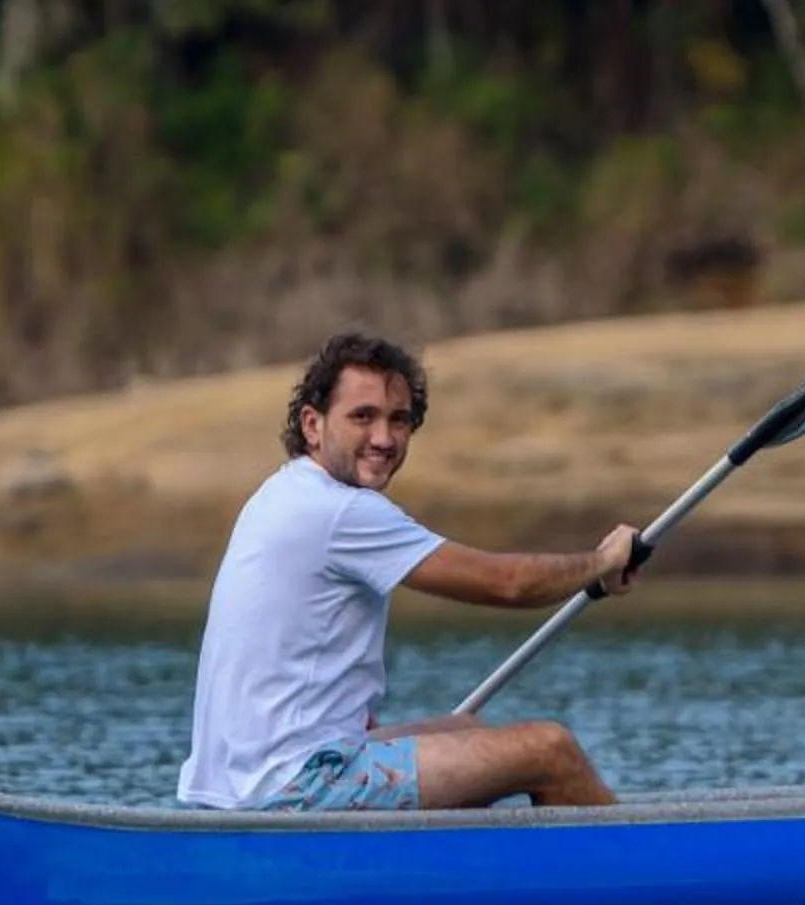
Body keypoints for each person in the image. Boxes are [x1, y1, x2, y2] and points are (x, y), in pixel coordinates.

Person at [178, 330, 644, 813]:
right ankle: (652, 879)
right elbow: (507, 585)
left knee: (466, 732)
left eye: (398, 420)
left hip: (247, 778)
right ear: (312, 425)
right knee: (549, 751)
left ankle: (467, 880)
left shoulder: (282, 491)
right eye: (363, 417)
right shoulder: (340, 511)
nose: (383, 438)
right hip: (296, 784)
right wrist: (603, 563)